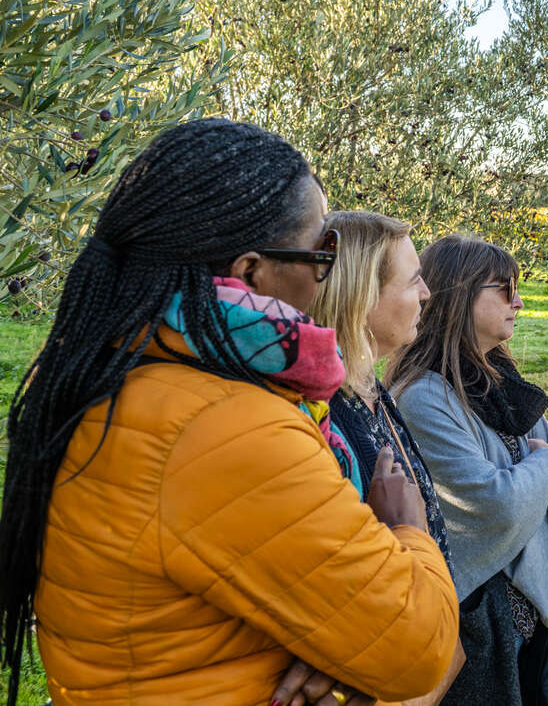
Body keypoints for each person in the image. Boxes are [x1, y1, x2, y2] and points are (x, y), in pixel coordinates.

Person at [0, 118, 458, 706]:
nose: (327, 277)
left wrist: (334, 652)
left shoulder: (115, 369)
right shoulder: (223, 426)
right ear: (250, 274)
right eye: (322, 251)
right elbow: (418, 648)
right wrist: (405, 528)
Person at [385, 233, 548, 706]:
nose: (517, 301)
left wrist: (543, 469)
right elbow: (496, 505)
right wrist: (542, 463)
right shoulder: (423, 397)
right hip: (478, 625)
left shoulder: (500, 381)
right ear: (459, 295)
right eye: (503, 288)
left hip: (526, 618)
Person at [310, 211, 463, 706]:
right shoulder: (321, 419)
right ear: (361, 298)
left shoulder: (373, 392)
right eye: (413, 279)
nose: (425, 294)